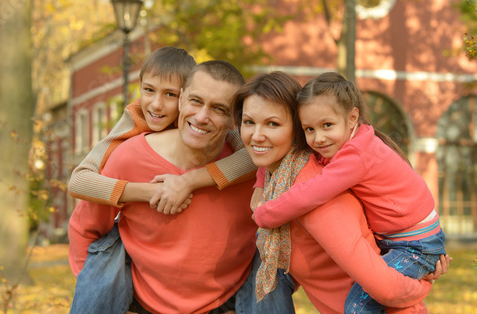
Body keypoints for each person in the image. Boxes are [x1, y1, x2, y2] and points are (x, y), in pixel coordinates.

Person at [68, 61, 296, 314]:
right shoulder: (128, 157)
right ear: (180, 100)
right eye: (195, 101)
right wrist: (97, 290)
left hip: (232, 302)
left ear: (235, 119)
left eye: (219, 109)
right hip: (142, 305)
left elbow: (292, 243)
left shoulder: (256, 166)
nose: (201, 117)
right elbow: (87, 230)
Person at [232, 71, 450, 313]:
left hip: (398, 275)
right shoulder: (286, 174)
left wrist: (422, 283)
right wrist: (259, 186)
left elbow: (385, 286)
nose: (257, 135)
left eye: (272, 123)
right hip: (404, 244)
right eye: (249, 122)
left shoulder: (312, 183)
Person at [68, 46, 256, 213]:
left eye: (170, 94)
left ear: (185, 96)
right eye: (149, 90)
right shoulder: (136, 116)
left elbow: (252, 157)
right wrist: (150, 192)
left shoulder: (205, 120)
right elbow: (78, 181)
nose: (156, 105)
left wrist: (189, 181)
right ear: (140, 85)